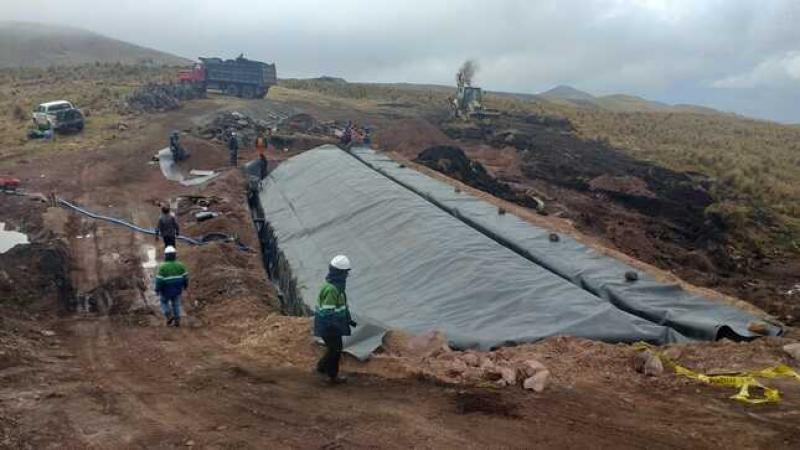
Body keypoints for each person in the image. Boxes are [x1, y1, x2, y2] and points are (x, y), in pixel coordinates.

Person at [314, 255, 357, 384]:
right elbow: (328, 311)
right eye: (345, 273)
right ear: (340, 273)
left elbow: (342, 306)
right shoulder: (332, 290)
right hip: (329, 326)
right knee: (336, 350)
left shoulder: (335, 287)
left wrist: (348, 319)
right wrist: (334, 325)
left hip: (330, 325)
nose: (347, 276)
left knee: (333, 348)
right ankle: (331, 375)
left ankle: (321, 368)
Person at [155, 246, 188, 327]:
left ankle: (169, 315)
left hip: (166, 289)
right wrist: (185, 285)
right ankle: (177, 321)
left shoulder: (162, 267)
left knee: (164, 302)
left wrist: (157, 289)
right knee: (176, 304)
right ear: (175, 255)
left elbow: (159, 280)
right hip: (177, 288)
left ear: (166, 255)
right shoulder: (181, 265)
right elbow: (185, 277)